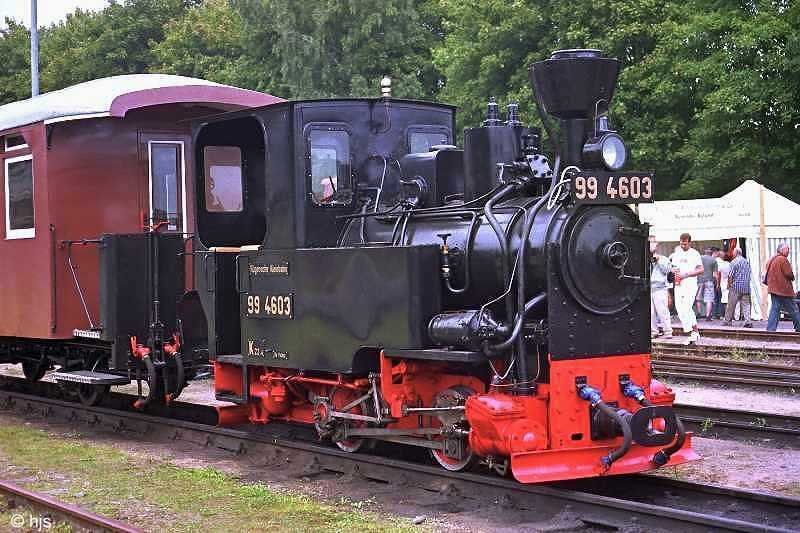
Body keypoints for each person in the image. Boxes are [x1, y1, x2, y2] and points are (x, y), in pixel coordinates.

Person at [670, 233, 704, 344]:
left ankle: (692, 332)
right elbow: (673, 267)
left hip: (690, 284)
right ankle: (694, 332)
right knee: (679, 308)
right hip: (679, 283)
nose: (683, 245)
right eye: (681, 243)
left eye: (685, 244)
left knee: (686, 307)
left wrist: (687, 274)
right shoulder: (677, 253)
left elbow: (701, 269)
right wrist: (673, 271)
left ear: (689, 242)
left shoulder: (695, 254)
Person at [764, 243, 800, 332]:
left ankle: (770, 329)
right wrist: (793, 277)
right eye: (787, 249)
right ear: (782, 250)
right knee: (793, 309)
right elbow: (789, 274)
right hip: (784, 290)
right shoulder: (783, 259)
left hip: (773, 289)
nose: (788, 251)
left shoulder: (771, 259)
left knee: (775, 309)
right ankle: (799, 327)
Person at [649, 236, 673, 339]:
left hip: (660, 288)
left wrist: (658, 260)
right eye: (650, 242)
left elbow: (667, 270)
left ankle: (668, 331)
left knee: (663, 311)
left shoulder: (663, 258)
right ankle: (653, 331)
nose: (651, 244)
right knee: (651, 313)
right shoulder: (644, 258)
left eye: (653, 242)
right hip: (648, 289)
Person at [723, 247, 752, 327]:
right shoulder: (746, 261)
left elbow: (730, 275)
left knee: (731, 305)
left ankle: (727, 321)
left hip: (735, 287)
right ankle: (748, 321)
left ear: (735, 253)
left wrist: (729, 285)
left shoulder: (734, 262)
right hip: (746, 287)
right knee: (746, 304)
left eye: (733, 252)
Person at [695, 247, 718, 320]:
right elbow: (715, 274)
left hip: (699, 280)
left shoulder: (699, 258)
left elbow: (695, 269)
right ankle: (708, 316)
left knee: (698, 298)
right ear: (711, 253)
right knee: (709, 299)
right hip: (709, 281)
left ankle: (699, 313)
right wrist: (716, 283)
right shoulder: (713, 260)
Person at [713, 248, 729, 319]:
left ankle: (715, 314)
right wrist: (718, 284)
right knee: (720, 299)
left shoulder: (716, 261)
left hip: (716, 281)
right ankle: (720, 314)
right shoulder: (724, 263)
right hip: (720, 282)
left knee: (716, 299)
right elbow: (718, 274)